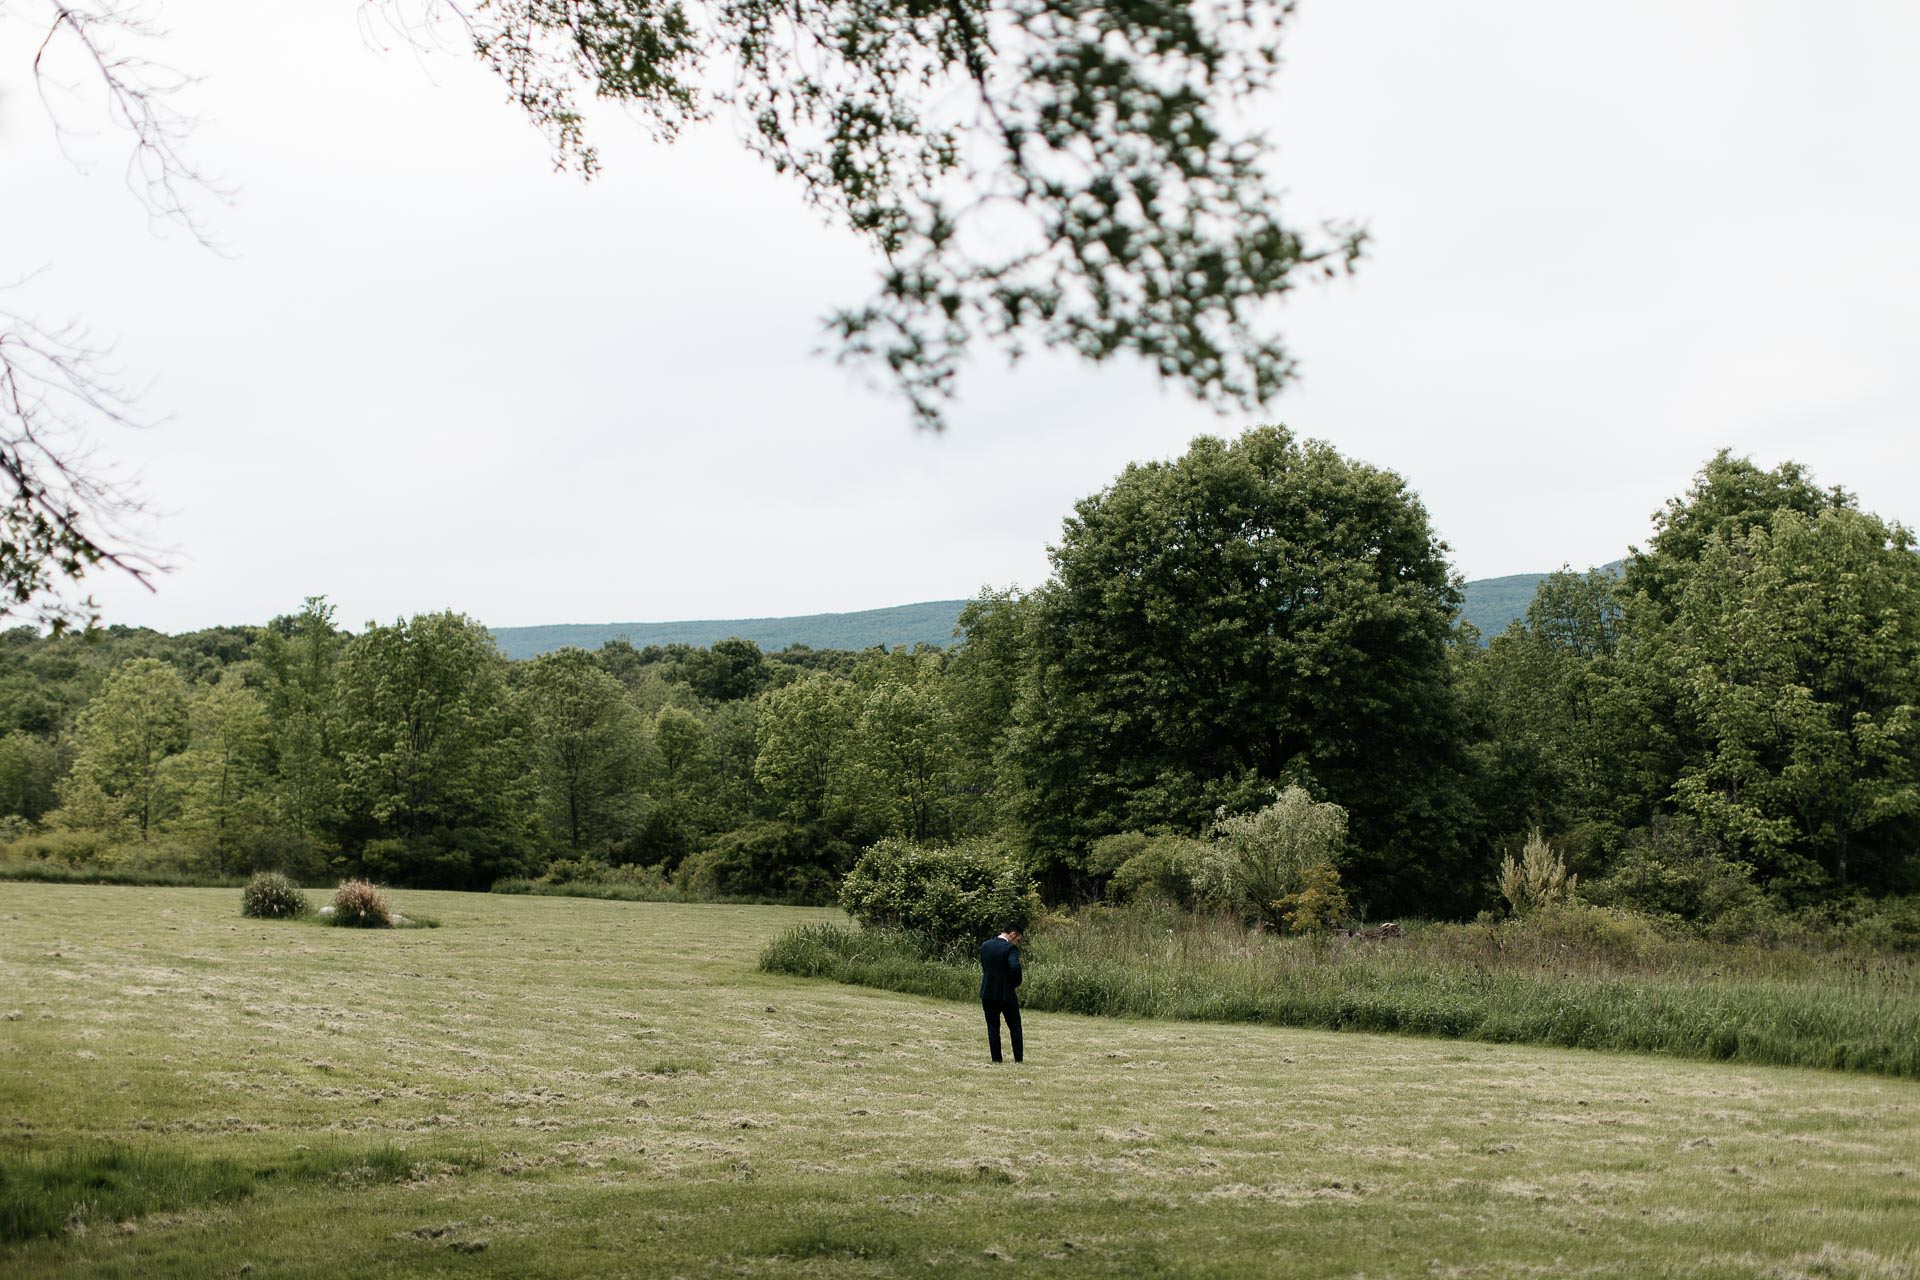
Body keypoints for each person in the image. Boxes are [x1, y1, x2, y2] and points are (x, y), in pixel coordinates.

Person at [978, 925, 1024, 1063]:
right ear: (1013, 934)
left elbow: (985, 965)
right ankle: (1018, 1059)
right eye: (1018, 939)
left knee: (992, 1027)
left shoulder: (985, 945)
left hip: (988, 992)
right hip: (1006, 994)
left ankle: (996, 1059)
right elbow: (1015, 966)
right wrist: (1015, 982)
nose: (1017, 942)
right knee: (1015, 1026)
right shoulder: (1010, 948)